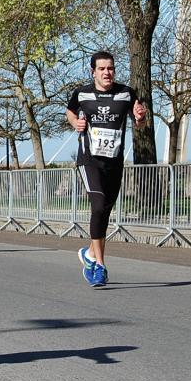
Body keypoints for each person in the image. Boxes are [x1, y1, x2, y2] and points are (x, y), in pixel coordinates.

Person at [66, 51, 147, 287]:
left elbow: (139, 122)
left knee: (105, 213)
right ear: (93, 72)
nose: (107, 73)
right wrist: (75, 123)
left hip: (114, 162)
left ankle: (90, 253)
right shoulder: (82, 93)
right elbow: (70, 111)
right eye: (101, 69)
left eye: (110, 68)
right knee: (98, 206)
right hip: (89, 160)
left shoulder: (126, 93)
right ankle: (99, 266)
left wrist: (140, 118)